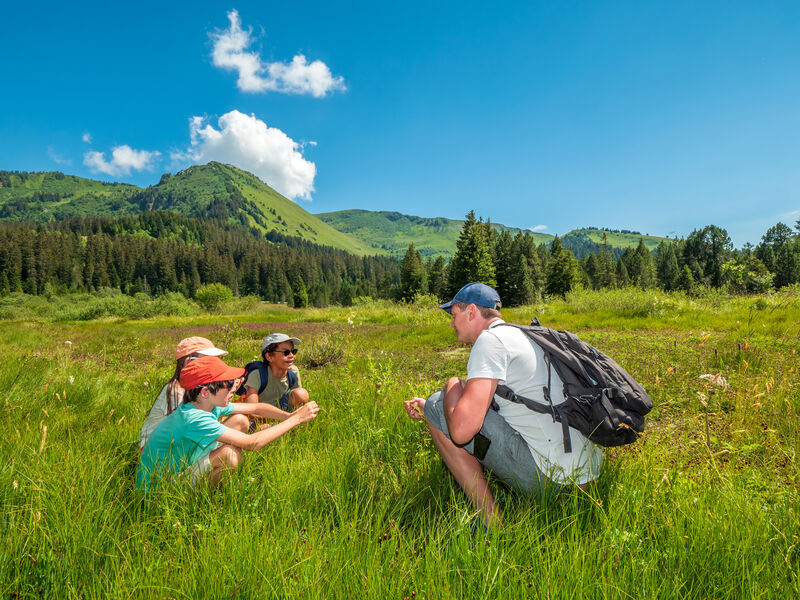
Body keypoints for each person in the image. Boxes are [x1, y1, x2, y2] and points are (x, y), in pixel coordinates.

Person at [404, 282, 602, 528]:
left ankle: (490, 521)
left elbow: (461, 431)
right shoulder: (524, 336)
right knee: (442, 405)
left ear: (472, 312)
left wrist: (451, 384)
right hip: (587, 475)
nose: (452, 324)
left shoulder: (490, 342)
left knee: (439, 402)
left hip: (553, 482)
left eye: (454, 316)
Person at [136, 356, 319, 491]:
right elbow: (251, 443)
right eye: (228, 384)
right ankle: (202, 502)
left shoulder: (204, 405)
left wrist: (288, 416)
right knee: (230, 455)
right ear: (206, 392)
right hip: (160, 489)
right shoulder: (195, 419)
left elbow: (254, 408)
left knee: (240, 420)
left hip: (180, 468)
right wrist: (297, 419)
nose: (235, 388)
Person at [137, 336, 228, 451]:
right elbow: (190, 427)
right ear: (188, 362)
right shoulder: (176, 390)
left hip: (174, 443)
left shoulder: (196, 387)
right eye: (207, 361)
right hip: (153, 451)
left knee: (236, 423)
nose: (213, 365)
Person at [241, 333, 310, 421]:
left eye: (293, 351)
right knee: (265, 428)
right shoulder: (257, 375)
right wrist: (286, 418)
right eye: (286, 352)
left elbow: (299, 401)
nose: (291, 355)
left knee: (301, 394)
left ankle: (294, 425)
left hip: (281, 411)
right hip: (259, 416)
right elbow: (251, 412)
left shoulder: (293, 371)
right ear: (269, 356)